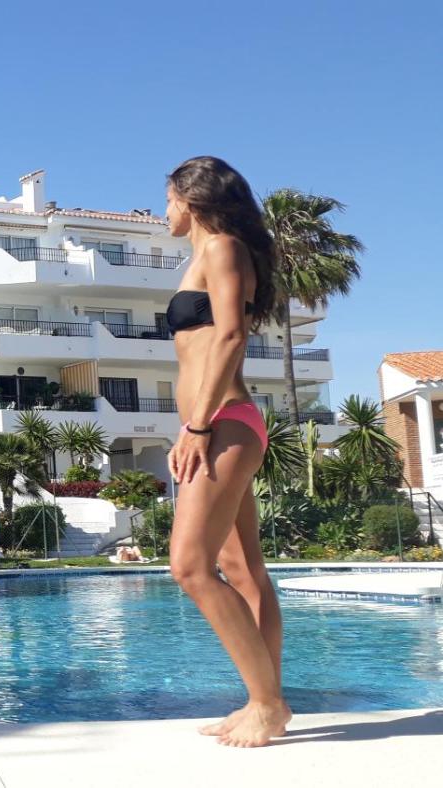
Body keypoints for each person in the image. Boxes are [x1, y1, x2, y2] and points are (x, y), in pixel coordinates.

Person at [164, 156, 288, 747]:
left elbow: (232, 336)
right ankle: (266, 701)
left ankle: (266, 703)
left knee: (190, 566)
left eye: (168, 200)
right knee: (241, 569)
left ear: (191, 200)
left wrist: (197, 425)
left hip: (222, 424)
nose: (164, 213)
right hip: (216, 424)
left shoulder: (223, 248)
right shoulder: (206, 254)